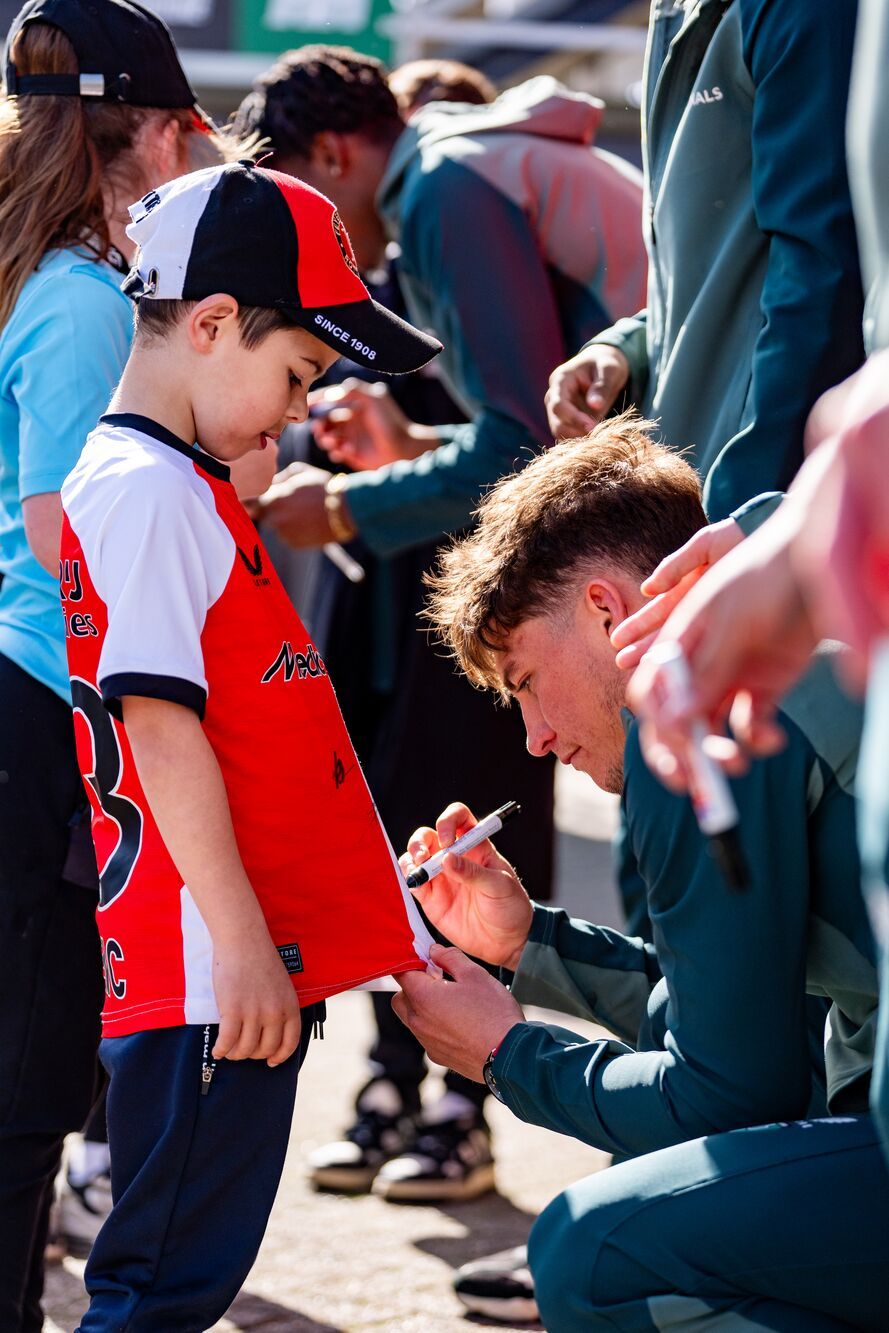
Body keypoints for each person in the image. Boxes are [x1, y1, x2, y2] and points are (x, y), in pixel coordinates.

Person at [391, 415, 888, 1329]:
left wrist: (506, 1055)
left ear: (606, 610)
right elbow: (739, 1028)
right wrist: (527, 941)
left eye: (525, 679)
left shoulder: (683, 697)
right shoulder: (786, 617)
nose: (535, 738)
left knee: (590, 1252)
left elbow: (728, 1093)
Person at [61, 161, 440, 1331]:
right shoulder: (152, 491)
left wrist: (238, 459)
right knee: (162, 1282)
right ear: (214, 323)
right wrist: (239, 946)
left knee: (178, 1269)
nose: (292, 409)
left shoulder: (176, 480)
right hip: (207, 968)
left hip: (218, 962)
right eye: (295, 376)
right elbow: (161, 726)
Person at [0, 1, 237, 1325]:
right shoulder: (85, 294)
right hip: (41, 699)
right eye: (178, 131)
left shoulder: (22, 264)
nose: (182, 157)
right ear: (140, 131)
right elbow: (63, 526)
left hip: (13, 678)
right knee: (32, 1084)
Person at [234, 45, 647, 555]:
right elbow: (544, 435)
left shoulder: (443, 188)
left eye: (293, 200)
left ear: (330, 155)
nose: (295, 238)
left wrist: (346, 506)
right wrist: (415, 446)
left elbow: (531, 446)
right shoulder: (451, 165)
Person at [543, 0, 865, 521]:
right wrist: (630, 349)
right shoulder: (672, 10)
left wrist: (743, 505)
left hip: (768, 511)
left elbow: (826, 276)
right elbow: (717, 268)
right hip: (709, 498)